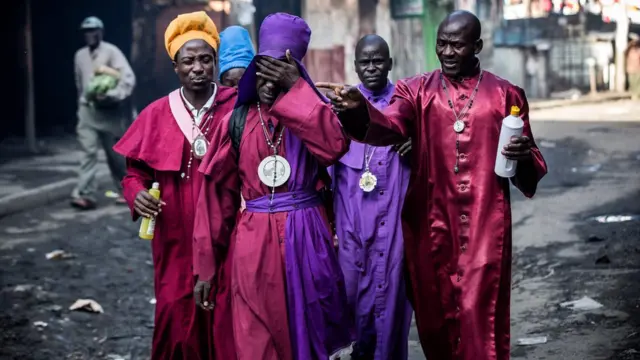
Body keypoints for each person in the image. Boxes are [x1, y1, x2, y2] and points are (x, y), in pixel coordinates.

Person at [325, 11, 548, 360]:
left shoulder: (505, 95)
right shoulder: (415, 90)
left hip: (484, 227)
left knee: (480, 319)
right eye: (441, 44)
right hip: (430, 226)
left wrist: (520, 156)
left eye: (456, 45)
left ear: (477, 46)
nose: (446, 52)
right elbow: (388, 126)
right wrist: (359, 112)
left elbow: (528, 169)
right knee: (435, 321)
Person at [192, 12, 354, 360]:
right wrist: (205, 266)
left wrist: (296, 92)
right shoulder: (237, 120)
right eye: (263, 67)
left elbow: (334, 146)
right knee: (256, 336)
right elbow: (215, 198)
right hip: (253, 241)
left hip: (307, 235)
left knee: (309, 332)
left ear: (294, 71)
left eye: (280, 70)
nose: (269, 79)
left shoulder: (315, 110)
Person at [113, 11, 236, 360]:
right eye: (188, 61)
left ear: (215, 62)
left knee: (222, 315)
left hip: (225, 235)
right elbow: (134, 173)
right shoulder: (156, 113)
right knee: (175, 314)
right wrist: (136, 195)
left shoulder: (236, 108)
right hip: (174, 240)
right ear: (175, 67)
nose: (197, 67)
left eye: (205, 59)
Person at [321, 34, 413, 360]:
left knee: (391, 304)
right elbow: (326, 172)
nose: (372, 67)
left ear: (389, 63)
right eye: (365, 62)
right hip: (351, 227)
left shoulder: (406, 106)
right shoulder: (338, 109)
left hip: (393, 230)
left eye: (378, 61)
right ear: (355, 66)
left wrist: (416, 146)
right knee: (353, 302)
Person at [71, 16, 135, 209]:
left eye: (93, 31)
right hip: (87, 111)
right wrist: (81, 105)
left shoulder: (111, 52)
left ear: (101, 32)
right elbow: (79, 83)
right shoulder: (80, 55)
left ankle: (127, 190)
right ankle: (85, 194)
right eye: (86, 31)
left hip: (109, 112)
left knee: (115, 155)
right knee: (88, 152)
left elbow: (127, 78)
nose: (90, 34)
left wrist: (112, 94)